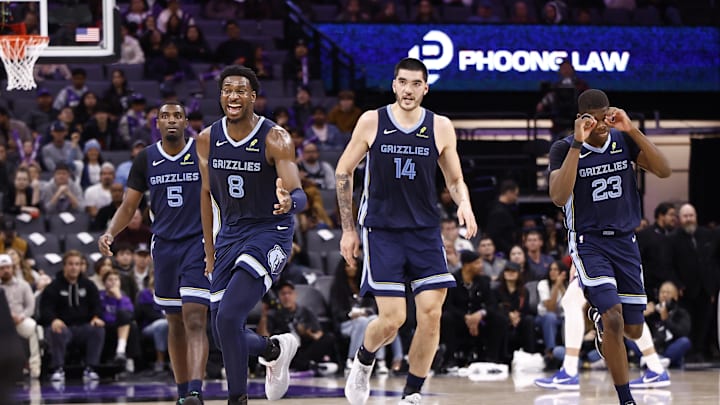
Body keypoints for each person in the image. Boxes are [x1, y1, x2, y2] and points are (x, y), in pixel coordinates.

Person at [337, 57, 478, 405]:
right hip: (382, 231)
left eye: (416, 84)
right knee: (393, 319)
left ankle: (412, 393)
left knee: (431, 313)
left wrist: (465, 203)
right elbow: (343, 172)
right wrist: (347, 230)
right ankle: (364, 360)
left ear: (425, 89)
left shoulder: (440, 126)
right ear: (394, 85)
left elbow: (455, 177)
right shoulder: (372, 121)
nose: (409, 89)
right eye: (403, 82)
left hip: (425, 231)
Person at [546, 89, 671, 405]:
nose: (602, 125)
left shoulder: (623, 140)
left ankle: (602, 321)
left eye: (606, 117)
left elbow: (664, 170)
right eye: (595, 119)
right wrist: (577, 142)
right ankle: (625, 399)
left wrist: (632, 129)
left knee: (632, 327)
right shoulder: (563, 148)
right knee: (613, 317)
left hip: (626, 242)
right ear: (582, 119)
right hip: (589, 243)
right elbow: (559, 197)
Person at [196, 65, 307, 405]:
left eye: (241, 90)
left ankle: (238, 399)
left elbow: (299, 194)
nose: (233, 96)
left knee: (230, 317)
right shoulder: (206, 139)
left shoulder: (276, 137)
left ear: (253, 97)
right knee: (222, 332)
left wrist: (289, 202)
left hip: (269, 230)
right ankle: (273, 349)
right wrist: (211, 251)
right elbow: (205, 196)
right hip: (230, 232)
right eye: (227, 89)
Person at [98, 102, 210, 405]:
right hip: (164, 247)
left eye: (177, 116)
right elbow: (129, 206)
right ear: (156, 123)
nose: (171, 120)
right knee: (174, 321)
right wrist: (111, 232)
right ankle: (183, 390)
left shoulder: (201, 151)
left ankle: (197, 391)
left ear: (186, 121)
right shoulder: (145, 158)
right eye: (165, 116)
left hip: (197, 244)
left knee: (195, 319)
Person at [534, 266, 671, 390]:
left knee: (571, 300)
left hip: (600, 252)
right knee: (627, 312)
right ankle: (656, 368)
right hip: (620, 252)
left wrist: (576, 261)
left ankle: (569, 371)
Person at [39, 250, 105, 383]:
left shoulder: (89, 285)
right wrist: (53, 320)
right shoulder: (53, 287)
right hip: (63, 327)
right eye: (70, 264)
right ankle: (58, 369)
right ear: (64, 266)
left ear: (81, 266)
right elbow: (45, 309)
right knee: (56, 330)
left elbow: (97, 305)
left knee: (98, 329)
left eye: (77, 264)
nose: (74, 267)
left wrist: (96, 317)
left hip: (83, 327)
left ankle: (91, 368)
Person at [0, 253, 41, 378]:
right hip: (1, 322)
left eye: (8, 267)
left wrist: (21, 316)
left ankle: (34, 368)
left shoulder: (23, 285)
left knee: (33, 327)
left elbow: (30, 306)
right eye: (2, 268)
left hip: (19, 320)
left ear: (13, 268)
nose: (6, 270)